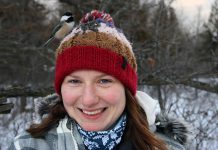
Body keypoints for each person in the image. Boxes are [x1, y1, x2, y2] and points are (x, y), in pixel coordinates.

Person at [9, 10, 190, 150]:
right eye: (75, 81)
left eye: (104, 81)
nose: (88, 100)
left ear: (127, 89)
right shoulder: (27, 146)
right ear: (60, 88)